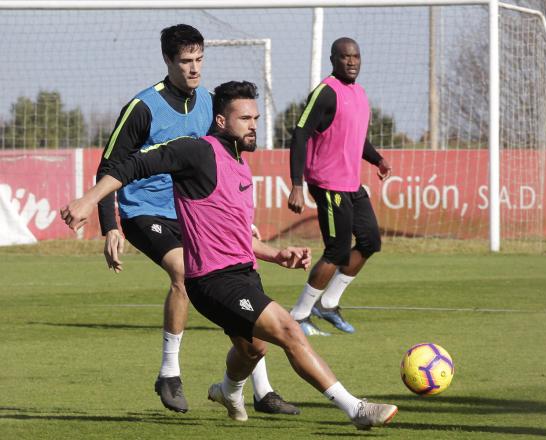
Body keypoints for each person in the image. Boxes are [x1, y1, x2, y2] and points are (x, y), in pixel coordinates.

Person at [61, 81, 398, 430]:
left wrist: (277, 255)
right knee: (287, 329)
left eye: (256, 117)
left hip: (243, 273)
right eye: (244, 118)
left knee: (253, 350)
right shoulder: (196, 152)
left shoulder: (240, 167)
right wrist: (90, 201)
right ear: (221, 121)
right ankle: (355, 408)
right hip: (213, 281)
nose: (254, 125)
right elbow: (131, 165)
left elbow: (234, 237)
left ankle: (226, 390)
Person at [96, 24, 297, 415]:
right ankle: (169, 372)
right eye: (185, 61)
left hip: (192, 214)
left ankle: (262, 390)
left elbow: (224, 161)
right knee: (185, 272)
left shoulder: (209, 104)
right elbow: (111, 165)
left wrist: (237, 216)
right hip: (144, 212)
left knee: (241, 278)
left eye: (199, 59)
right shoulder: (143, 107)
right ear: (168, 61)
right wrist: (110, 226)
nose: (194, 68)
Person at [287, 38, 392, 336]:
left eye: (356, 56)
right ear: (333, 59)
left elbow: (356, 138)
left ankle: (328, 304)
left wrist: (378, 159)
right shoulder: (325, 92)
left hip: (351, 184)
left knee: (370, 241)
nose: (352, 62)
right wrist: (297, 184)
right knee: (337, 251)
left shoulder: (359, 94)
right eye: (345, 57)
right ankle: (298, 315)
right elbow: (300, 134)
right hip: (328, 184)